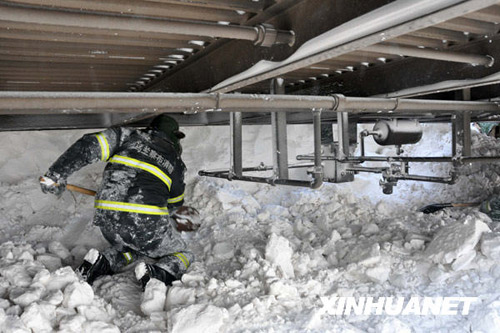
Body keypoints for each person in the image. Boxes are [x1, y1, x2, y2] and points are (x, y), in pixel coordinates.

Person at [39, 114, 195, 290]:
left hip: (107, 218)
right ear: (175, 138)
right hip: (145, 222)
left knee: (129, 247)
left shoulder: (126, 136)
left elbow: (88, 146)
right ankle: (155, 276)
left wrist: (56, 174)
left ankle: (99, 263)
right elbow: (173, 204)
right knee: (183, 253)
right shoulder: (176, 163)